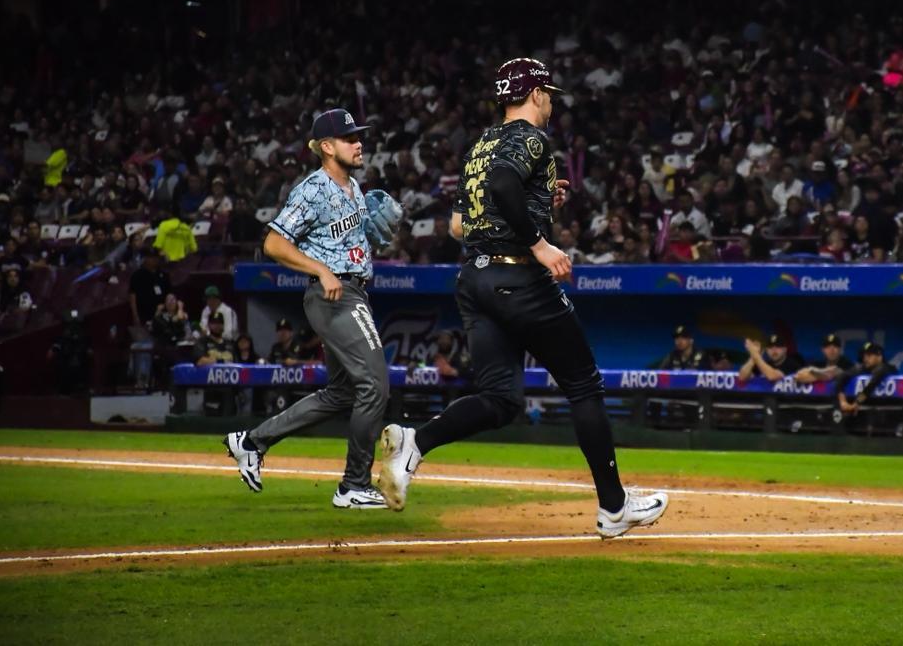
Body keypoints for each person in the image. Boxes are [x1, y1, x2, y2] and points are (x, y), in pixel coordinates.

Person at [376, 58, 668, 536]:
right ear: (534, 94)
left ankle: (415, 442)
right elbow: (503, 184)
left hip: (474, 281)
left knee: (499, 398)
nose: (551, 102)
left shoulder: (479, 145)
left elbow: (458, 225)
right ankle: (614, 508)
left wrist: (536, 204)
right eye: (547, 93)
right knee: (584, 386)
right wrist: (540, 242)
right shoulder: (531, 138)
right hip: (520, 280)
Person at [223, 107, 401, 510]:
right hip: (334, 296)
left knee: (342, 392)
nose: (359, 143)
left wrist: (372, 239)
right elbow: (272, 243)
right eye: (349, 137)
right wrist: (321, 270)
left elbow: (348, 240)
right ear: (326, 146)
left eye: (359, 136)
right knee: (375, 384)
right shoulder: (314, 189)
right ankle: (353, 484)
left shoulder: (353, 186)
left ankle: (252, 441)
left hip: (350, 290)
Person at [834, 341, 897, 418]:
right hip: (864, 411)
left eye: (869, 355)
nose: (865, 359)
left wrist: (857, 403)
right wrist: (842, 401)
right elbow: (841, 378)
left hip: (887, 411)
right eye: (864, 356)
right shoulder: (862, 368)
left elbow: (870, 387)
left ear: (879, 356)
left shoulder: (887, 368)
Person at [128, 249, 170, 330]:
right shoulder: (137, 276)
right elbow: (132, 296)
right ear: (146, 259)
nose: (154, 260)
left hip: (162, 314)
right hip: (144, 314)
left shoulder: (164, 275)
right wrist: (135, 316)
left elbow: (169, 294)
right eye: (151, 258)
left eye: (156, 258)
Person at [738, 333, 804, 383]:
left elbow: (772, 376)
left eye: (778, 346)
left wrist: (755, 355)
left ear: (785, 349)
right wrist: (753, 357)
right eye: (770, 347)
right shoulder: (766, 363)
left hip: (790, 400)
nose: (774, 350)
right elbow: (742, 377)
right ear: (766, 350)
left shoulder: (792, 363)